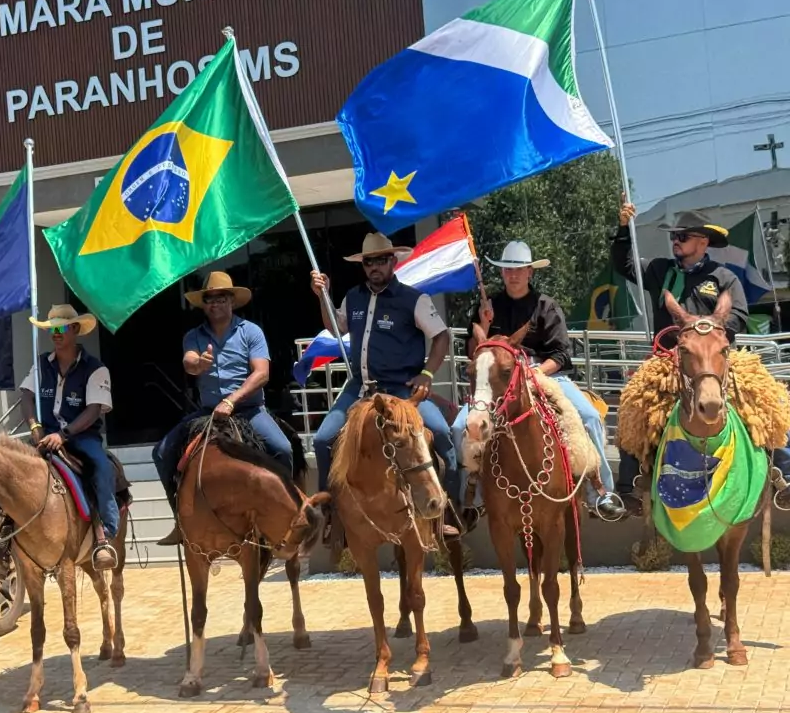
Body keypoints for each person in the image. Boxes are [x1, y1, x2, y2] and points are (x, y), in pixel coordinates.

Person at [450, 241, 620, 521]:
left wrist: (537, 372)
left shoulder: (546, 306)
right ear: (502, 273)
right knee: (459, 427)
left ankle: (600, 494)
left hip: (543, 371)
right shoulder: (487, 306)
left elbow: (562, 354)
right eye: (507, 269)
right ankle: (473, 499)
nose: (512, 275)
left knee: (588, 417)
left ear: (530, 272)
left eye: (519, 269)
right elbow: (475, 354)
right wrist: (486, 324)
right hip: (498, 377)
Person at [309, 232, 460, 537]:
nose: (374, 267)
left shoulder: (413, 299)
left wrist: (427, 375)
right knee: (323, 439)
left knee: (441, 434)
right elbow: (336, 326)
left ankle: (448, 512)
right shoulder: (353, 297)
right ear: (363, 265)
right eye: (368, 262)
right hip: (361, 387)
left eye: (380, 260)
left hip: (402, 390)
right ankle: (330, 515)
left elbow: (441, 336)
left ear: (393, 261)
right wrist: (322, 296)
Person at [611, 199, 751, 514]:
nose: (676, 241)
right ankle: (629, 486)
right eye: (674, 237)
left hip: (714, 358)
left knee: (761, 396)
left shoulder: (723, 277)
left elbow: (739, 314)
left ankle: (780, 473)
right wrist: (623, 229)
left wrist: (708, 338)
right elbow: (624, 264)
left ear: (703, 242)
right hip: (667, 360)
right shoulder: (660, 270)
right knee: (634, 402)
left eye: (683, 237)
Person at [154, 271, 292, 546]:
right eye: (210, 299)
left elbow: (261, 373)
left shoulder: (250, 331)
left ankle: (290, 513)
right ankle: (180, 519)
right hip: (208, 412)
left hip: (249, 410)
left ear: (232, 301)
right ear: (204, 304)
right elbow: (189, 361)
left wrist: (232, 400)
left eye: (221, 298)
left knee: (283, 449)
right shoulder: (194, 336)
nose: (215, 303)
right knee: (161, 452)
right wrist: (198, 365)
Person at [20, 304, 118, 570]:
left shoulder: (96, 368)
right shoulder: (41, 364)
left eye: (62, 327)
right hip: (44, 433)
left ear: (75, 329)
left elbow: (93, 410)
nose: (56, 333)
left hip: (81, 436)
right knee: (8, 466)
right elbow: (27, 396)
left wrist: (63, 435)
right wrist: (34, 427)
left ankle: (105, 534)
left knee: (99, 466)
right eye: (52, 329)